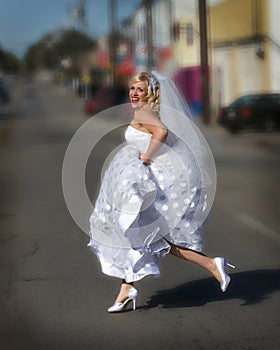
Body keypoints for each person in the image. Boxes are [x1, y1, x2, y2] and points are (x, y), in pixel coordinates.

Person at [88, 72, 235, 313]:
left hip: (150, 182)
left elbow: (162, 132)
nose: (134, 93)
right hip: (151, 179)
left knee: (147, 234)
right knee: (134, 232)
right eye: (132, 88)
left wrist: (146, 157)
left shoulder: (145, 113)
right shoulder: (145, 111)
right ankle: (127, 287)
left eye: (140, 89)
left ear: (151, 93)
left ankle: (211, 264)